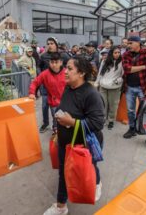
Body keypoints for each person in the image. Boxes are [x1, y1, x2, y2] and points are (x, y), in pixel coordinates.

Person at [43, 55, 105, 215]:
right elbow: (62, 110)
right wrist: (58, 129)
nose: (65, 72)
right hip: (66, 143)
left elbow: (98, 123)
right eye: (66, 68)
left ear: (81, 73)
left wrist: (71, 122)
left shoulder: (92, 94)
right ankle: (61, 206)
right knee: (64, 173)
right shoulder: (68, 88)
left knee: (90, 166)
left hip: (85, 145)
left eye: (70, 69)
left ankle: (96, 182)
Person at [122, 36, 146, 149]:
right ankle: (132, 129)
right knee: (130, 111)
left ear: (138, 43)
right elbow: (127, 69)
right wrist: (143, 66)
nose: (128, 45)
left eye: (130, 43)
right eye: (128, 43)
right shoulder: (126, 54)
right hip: (129, 87)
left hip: (143, 86)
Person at [28, 52, 66, 133]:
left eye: (56, 62)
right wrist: (31, 93)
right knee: (56, 118)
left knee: (65, 121)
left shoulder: (66, 72)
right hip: (53, 102)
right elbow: (35, 82)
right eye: (52, 62)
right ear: (49, 63)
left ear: (61, 62)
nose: (54, 65)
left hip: (66, 102)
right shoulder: (45, 74)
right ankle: (55, 129)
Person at [39, 37, 69, 132]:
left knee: (57, 107)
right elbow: (38, 67)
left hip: (58, 86)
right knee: (44, 105)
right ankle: (45, 123)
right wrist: (41, 76)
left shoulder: (63, 55)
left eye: (52, 43)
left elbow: (70, 66)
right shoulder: (43, 56)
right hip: (45, 85)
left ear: (56, 44)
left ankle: (56, 126)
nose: (49, 45)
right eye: (48, 43)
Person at [94, 47, 123, 130]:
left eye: (118, 52)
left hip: (115, 87)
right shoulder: (104, 61)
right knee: (103, 104)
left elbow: (123, 75)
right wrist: (97, 82)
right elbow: (100, 73)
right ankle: (103, 119)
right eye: (115, 52)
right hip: (103, 86)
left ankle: (111, 121)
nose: (117, 54)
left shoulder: (122, 62)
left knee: (113, 105)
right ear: (111, 53)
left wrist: (118, 81)